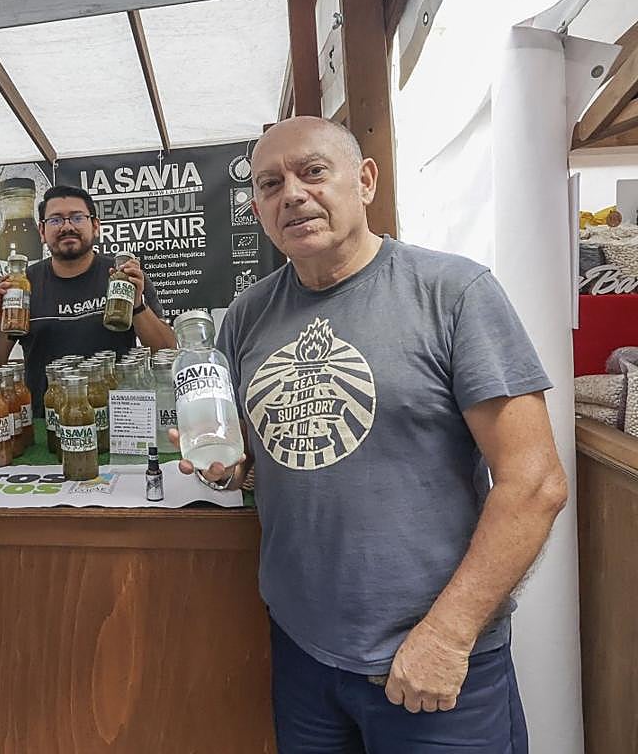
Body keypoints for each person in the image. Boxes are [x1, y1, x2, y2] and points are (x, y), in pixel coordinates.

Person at [176, 116, 566, 753]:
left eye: (313, 172)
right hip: (303, 651)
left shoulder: (452, 292)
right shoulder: (248, 314)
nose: (292, 194)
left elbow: (535, 482)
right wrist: (230, 464)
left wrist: (447, 636)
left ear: (365, 181)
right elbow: (256, 451)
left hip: (428, 659)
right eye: (270, 184)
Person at [0, 184, 176, 408]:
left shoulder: (125, 278)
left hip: (120, 419)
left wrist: (137, 306)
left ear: (95, 225)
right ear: (42, 231)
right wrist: (0, 324)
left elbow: (167, 351)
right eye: (56, 220)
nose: (67, 226)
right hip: (47, 421)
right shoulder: (21, 286)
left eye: (77, 217)